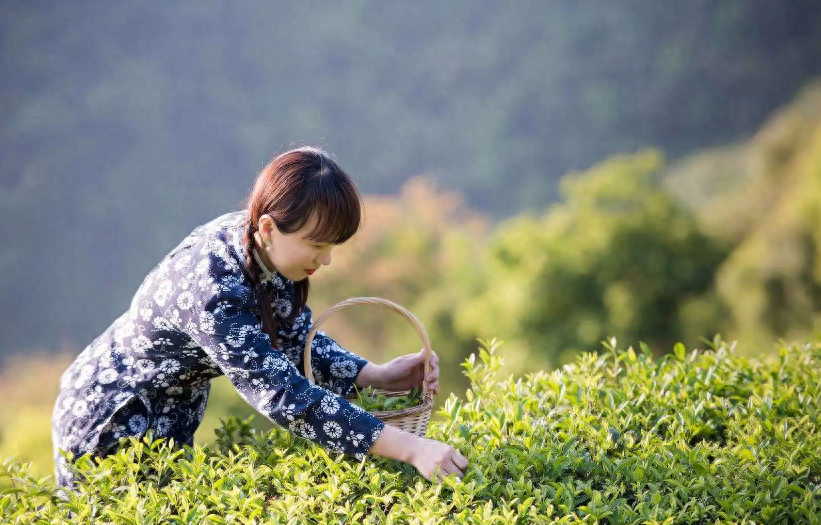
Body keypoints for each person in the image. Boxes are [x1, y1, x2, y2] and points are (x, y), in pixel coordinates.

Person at [51, 146, 468, 493]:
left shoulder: (259, 249)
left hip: (171, 415)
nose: (325, 260)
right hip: (112, 420)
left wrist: (372, 374)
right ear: (269, 226)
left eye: (332, 245)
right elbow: (288, 398)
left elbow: (290, 336)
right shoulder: (212, 287)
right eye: (317, 244)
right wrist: (412, 448)